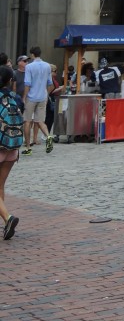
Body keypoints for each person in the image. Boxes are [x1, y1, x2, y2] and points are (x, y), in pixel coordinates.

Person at [0, 65, 22, 240]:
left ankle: (8, 218)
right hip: (12, 147)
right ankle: (4, 220)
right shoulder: (14, 98)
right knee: (0, 185)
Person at [22, 46, 53, 155]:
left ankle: (28, 147)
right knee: (40, 121)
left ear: (32, 54)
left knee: (27, 121)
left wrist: (24, 97)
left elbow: (27, 84)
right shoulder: (47, 66)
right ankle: (48, 136)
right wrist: (46, 93)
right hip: (42, 96)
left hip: (31, 97)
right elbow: (50, 83)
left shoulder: (29, 67)